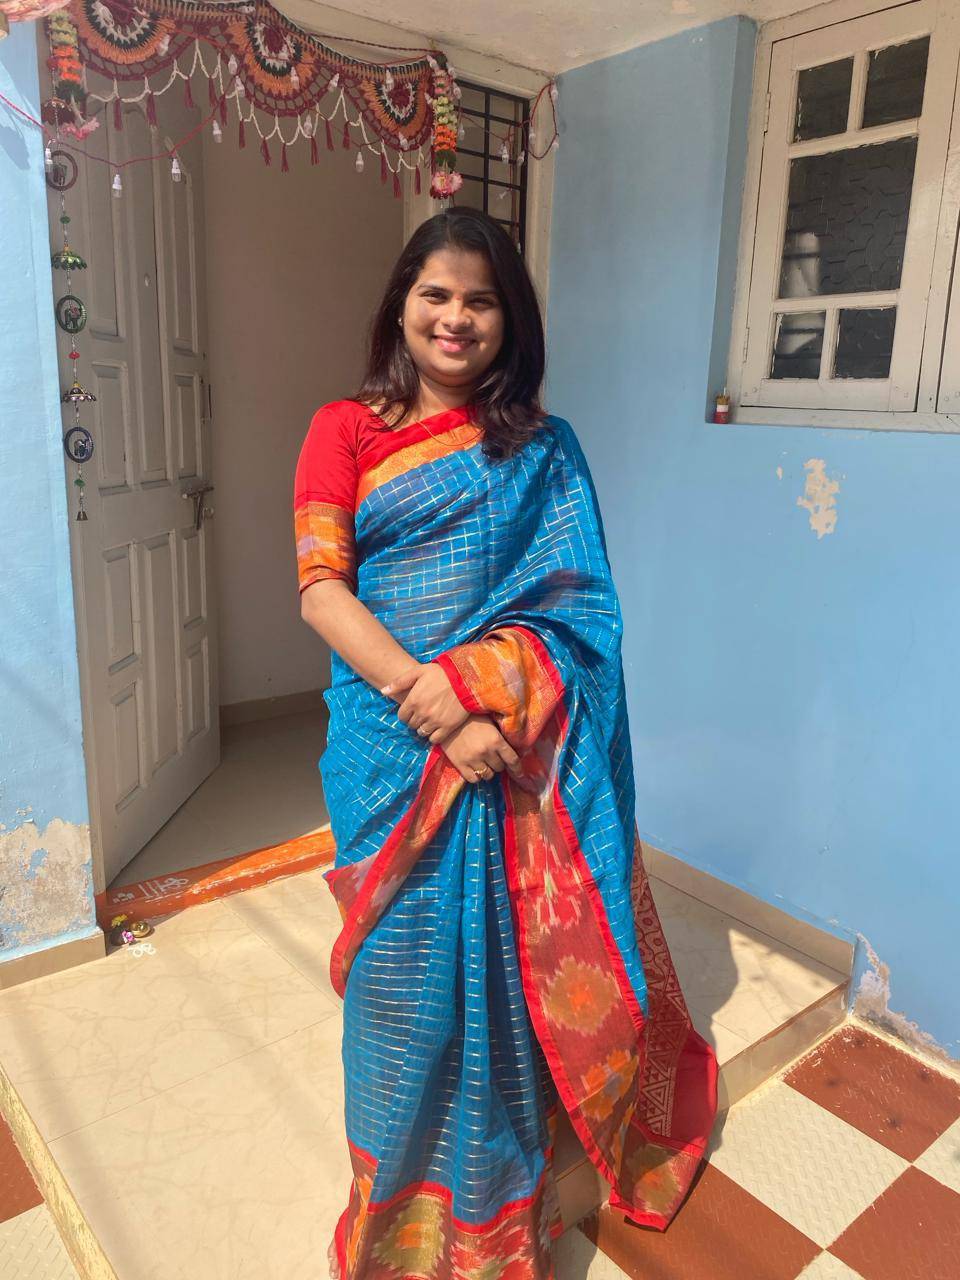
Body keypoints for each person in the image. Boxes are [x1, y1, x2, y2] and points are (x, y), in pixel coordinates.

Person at [294, 206, 717, 1280]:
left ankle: (495, 1211)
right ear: (401, 302)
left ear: (510, 318)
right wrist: (432, 699)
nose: (456, 317)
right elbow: (320, 589)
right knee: (398, 990)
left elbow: (584, 617)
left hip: (508, 749)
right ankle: (395, 1221)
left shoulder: (543, 447)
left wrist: (486, 690)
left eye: (480, 300)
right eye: (436, 293)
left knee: (504, 983)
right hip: (391, 750)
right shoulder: (344, 428)